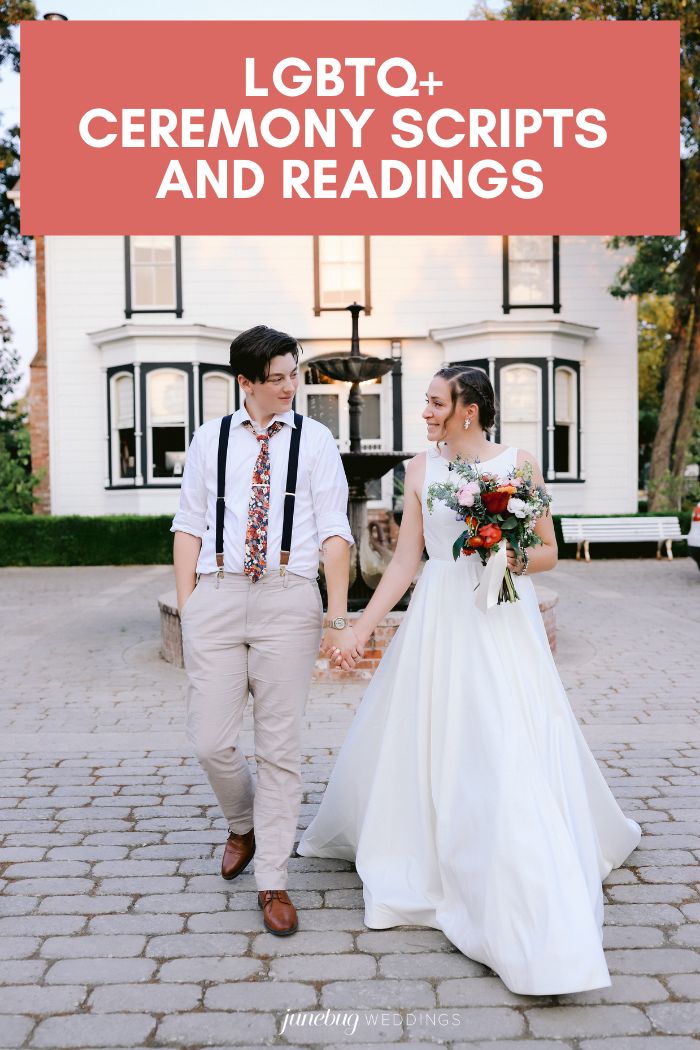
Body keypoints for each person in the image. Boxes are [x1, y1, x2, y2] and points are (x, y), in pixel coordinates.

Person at [298, 365, 641, 994]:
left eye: (434, 403)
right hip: (440, 622)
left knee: (502, 738)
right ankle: (433, 851)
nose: (425, 412)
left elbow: (547, 550)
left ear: (469, 411)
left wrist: (506, 553)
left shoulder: (520, 464)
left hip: (502, 623)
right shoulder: (421, 470)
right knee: (436, 737)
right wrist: (359, 628)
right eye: (426, 403)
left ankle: (522, 882)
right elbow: (406, 561)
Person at [171, 325, 360, 937]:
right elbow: (188, 525)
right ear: (245, 383)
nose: (289, 387)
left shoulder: (316, 439)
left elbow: (335, 528)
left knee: (280, 749)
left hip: (287, 599)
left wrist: (337, 615)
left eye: (294, 374)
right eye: (276, 378)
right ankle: (243, 823)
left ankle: (273, 878)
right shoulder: (210, 438)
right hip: (218, 595)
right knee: (211, 742)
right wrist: (189, 607)